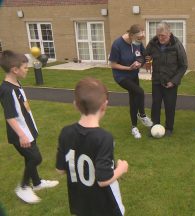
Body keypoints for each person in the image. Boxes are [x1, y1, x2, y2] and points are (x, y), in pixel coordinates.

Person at [56, 77, 128, 216]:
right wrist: (121, 168)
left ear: (75, 105)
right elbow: (104, 180)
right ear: (104, 105)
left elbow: (60, 169)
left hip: (80, 202)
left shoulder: (66, 132)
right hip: (104, 204)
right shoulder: (104, 138)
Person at [0, 50, 59, 204]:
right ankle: (23, 187)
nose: (27, 70)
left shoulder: (15, 83)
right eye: (25, 67)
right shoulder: (7, 90)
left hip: (28, 130)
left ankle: (37, 184)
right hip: (20, 134)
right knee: (35, 158)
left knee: (30, 158)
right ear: (15, 69)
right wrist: (22, 135)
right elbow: (10, 117)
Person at [144, 22, 188, 137]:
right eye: (158, 35)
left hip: (170, 82)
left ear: (169, 33)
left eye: (163, 35)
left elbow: (184, 65)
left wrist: (173, 81)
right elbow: (146, 55)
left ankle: (169, 128)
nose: (160, 38)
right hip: (157, 81)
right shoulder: (153, 43)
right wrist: (146, 61)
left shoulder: (177, 44)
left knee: (170, 106)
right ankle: (154, 127)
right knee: (155, 105)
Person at [109, 24, 153, 139]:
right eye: (139, 38)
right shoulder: (117, 44)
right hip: (121, 76)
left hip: (133, 75)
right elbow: (113, 64)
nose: (140, 40)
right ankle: (142, 115)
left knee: (134, 99)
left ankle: (134, 127)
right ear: (131, 35)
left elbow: (143, 56)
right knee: (139, 92)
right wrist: (128, 68)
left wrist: (139, 62)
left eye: (142, 38)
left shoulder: (137, 42)